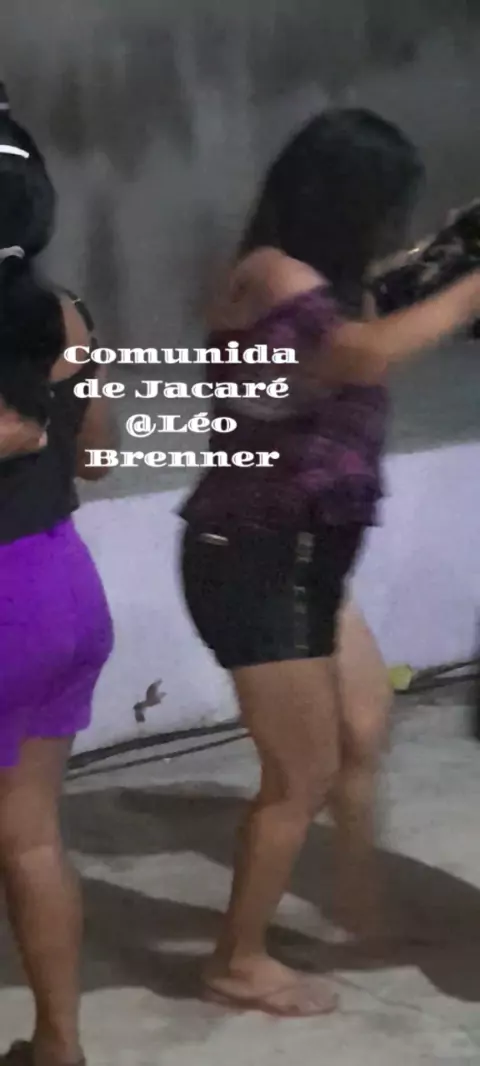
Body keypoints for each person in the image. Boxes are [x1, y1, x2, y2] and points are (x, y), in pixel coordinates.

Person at [179, 108, 480, 1017]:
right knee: (299, 775)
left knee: (363, 724)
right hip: (254, 555)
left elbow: (378, 312)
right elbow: (360, 353)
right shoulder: (273, 275)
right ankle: (236, 959)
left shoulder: (328, 281)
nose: (394, 223)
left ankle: (360, 904)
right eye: (387, 206)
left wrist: (438, 259)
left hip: (308, 555)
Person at [0, 89, 116, 1066]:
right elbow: (99, 458)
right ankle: (58, 1047)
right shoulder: (65, 308)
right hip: (61, 587)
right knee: (31, 837)